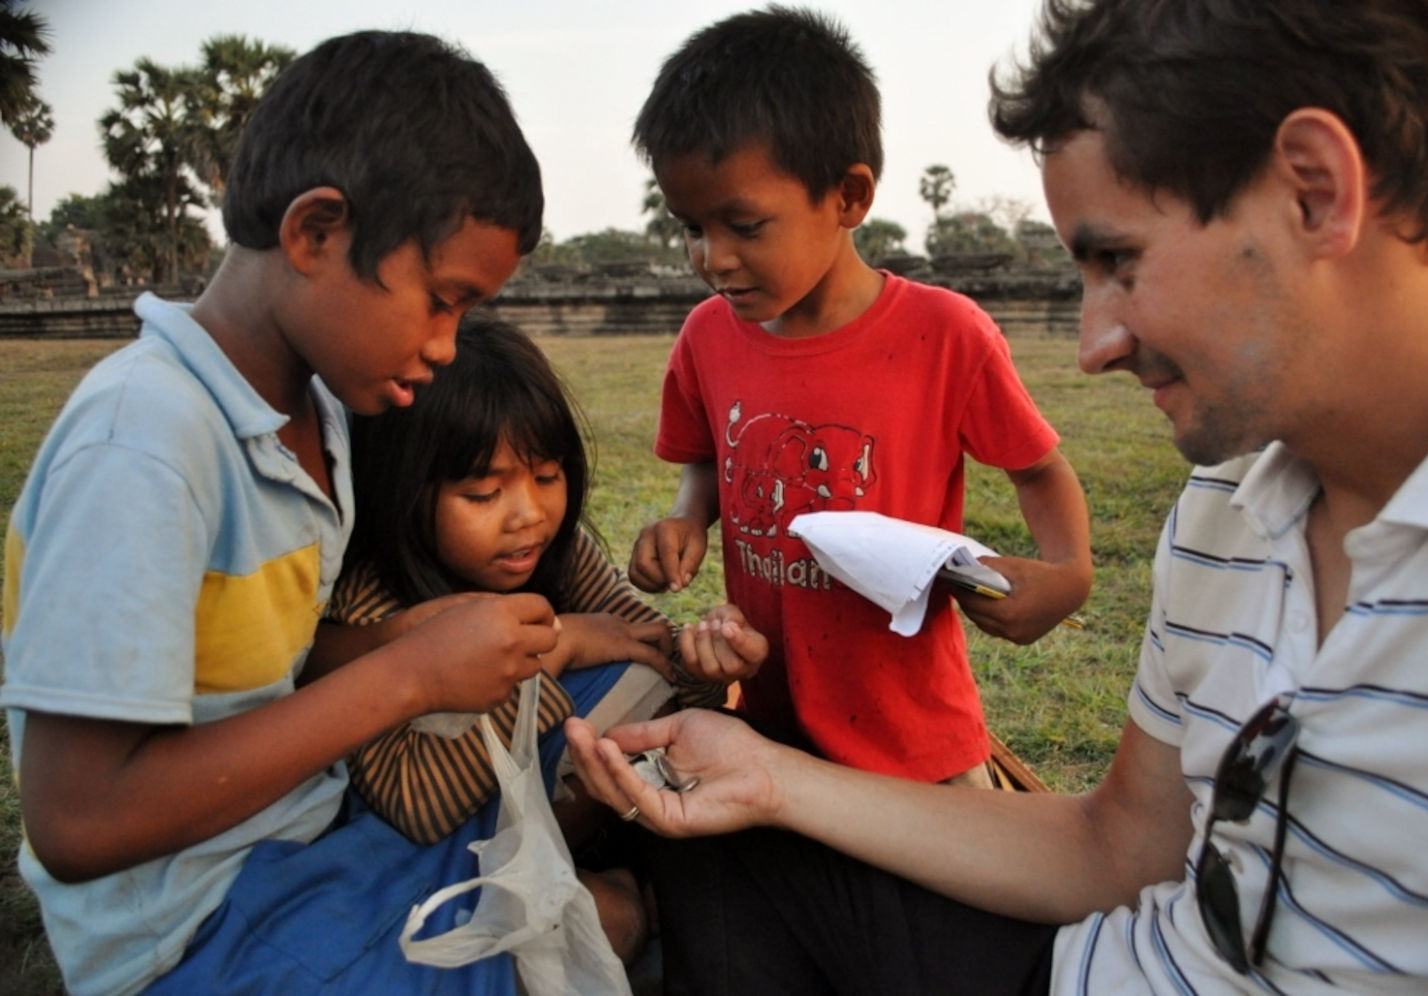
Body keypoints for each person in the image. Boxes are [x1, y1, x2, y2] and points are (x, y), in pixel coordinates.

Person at [566, 0, 1428, 991]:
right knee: (710, 858)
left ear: (1316, 191)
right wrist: (770, 778)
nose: (1093, 344)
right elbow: (1117, 852)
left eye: (1118, 261)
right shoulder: (1232, 504)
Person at [0, 31, 554, 995]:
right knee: (555, 950)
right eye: (441, 301)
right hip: (194, 925)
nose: (446, 345)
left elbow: (252, 667)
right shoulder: (144, 445)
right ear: (316, 233)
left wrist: (389, 642)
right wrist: (408, 680)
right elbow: (78, 821)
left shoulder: (319, 410)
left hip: (302, 839)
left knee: (595, 806)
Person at [627, 6, 1093, 787]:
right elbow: (707, 457)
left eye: (744, 224)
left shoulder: (944, 335)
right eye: (691, 227)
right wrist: (686, 518)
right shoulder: (707, 339)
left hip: (914, 735)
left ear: (848, 196)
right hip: (773, 722)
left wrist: (1069, 571)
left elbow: (1037, 469)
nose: (712, 258)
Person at [321, 312, 725, 961]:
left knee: (643, 681)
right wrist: (552, 648)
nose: (529, 516)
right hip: (435, 863)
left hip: (558, 831)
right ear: (405, 489)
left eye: (546, 477)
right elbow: (414, 807)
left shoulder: (558, 556)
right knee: (609, 920)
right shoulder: (373, 604)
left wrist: (705, 660)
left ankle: (626, 882)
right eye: (483, 493)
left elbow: (649, 653)